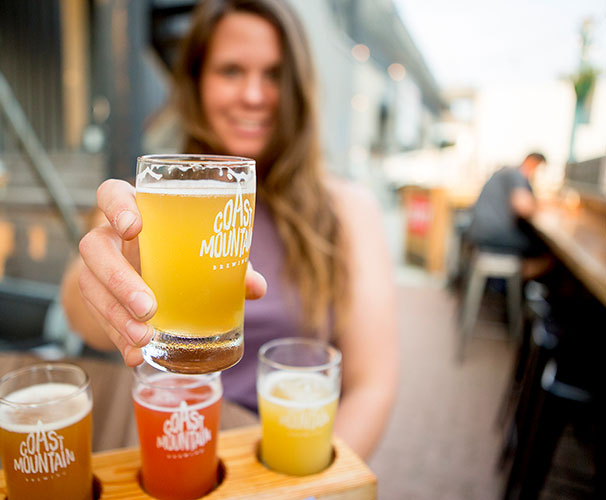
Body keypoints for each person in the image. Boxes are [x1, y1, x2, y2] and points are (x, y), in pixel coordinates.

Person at [60, 0, 398, 459]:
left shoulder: (347, 208)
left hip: (278, 456)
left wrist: (312, 490)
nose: (254, 95)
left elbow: (372, 385)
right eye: (231, 71)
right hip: (168, 443)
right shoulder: (154, 197)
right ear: (196, 83)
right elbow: (81, 313)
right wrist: (117, 283)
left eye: (274, 74)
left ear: (297, 88)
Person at [466, 153, 551, 278]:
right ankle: (519, 286)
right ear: (532, 163)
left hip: (480, 232)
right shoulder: (517, 174)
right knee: (545, 250)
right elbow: (523, 207)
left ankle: (513, 284)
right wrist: (539, 206)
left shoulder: (506, 173)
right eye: (538, 170)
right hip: (494, 236)